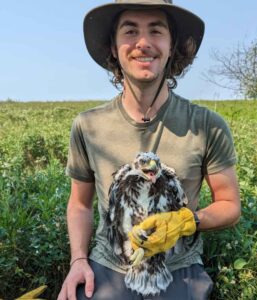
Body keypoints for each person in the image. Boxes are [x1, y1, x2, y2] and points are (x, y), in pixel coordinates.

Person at [57, 0, 241, 299]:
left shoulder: (207, 124)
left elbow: (230, 204)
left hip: (180, 271)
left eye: (156, 31)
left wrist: (185, 221)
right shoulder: (88, 126)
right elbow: (79, 204)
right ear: (114, 48)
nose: (143, 43)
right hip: (108, 270)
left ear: (172, 46)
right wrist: (78, 260)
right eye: (130, 31)